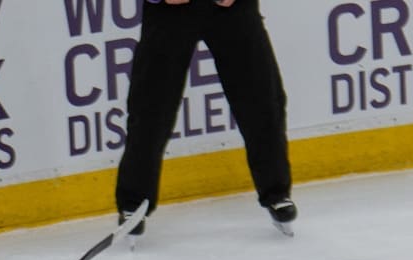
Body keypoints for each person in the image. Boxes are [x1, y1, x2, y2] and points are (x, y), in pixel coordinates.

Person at [114, 0, 294, 237]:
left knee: (262, 99)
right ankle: (133, 202)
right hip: (169, 11)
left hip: (232, 8)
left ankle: (276, 193)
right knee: (151, 107)